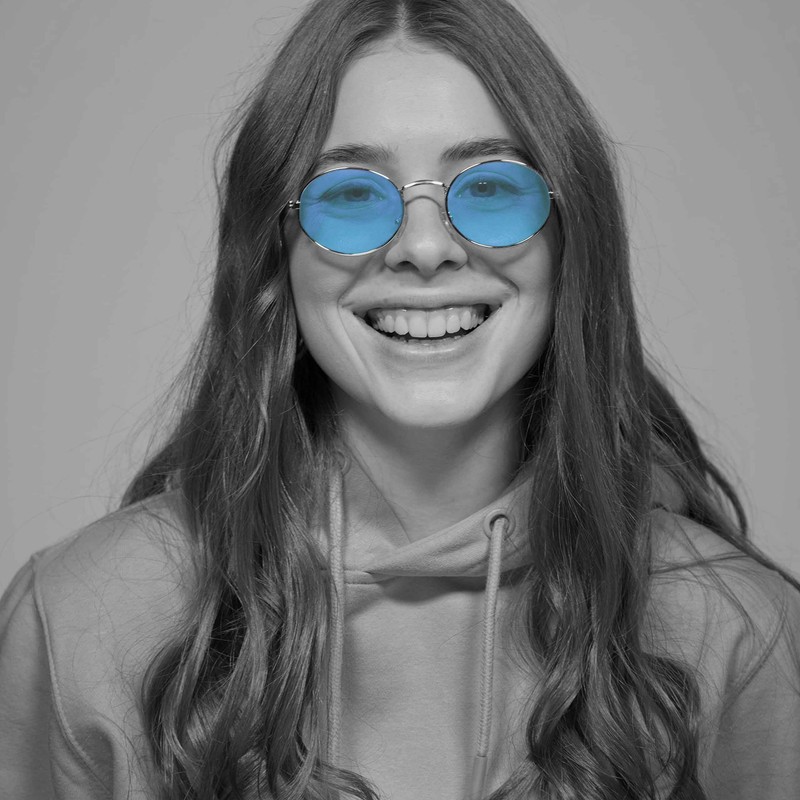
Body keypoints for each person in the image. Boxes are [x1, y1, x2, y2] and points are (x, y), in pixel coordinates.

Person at [1, 0, 799, 798]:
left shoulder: (736, 633)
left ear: (571, 235)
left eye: (489, 186)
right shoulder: (81, 621)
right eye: (352, 195)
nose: (423, 247)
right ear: (275, 252)